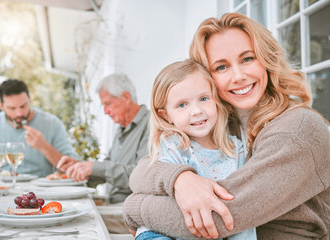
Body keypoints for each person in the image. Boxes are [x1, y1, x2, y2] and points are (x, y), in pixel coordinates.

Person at [123, 13, 330, 240]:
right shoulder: (220, 125)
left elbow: (220, 218)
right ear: (207, 79)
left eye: (248, 59)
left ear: (267, 60)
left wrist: (135, 206)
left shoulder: (298, 129)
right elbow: (144, 169)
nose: (239, 76)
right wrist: (181, 179)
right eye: (221, 67)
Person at [134, 59, 256, 240]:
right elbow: (168, 204)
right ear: (166, 115)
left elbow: (241, 208)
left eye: (204, 99)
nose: (197, 111)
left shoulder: (235, 149)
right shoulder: (173, 146)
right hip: (160, 232)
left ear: (216, 99)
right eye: (182, 105)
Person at [57, 73, 150, 233]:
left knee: (71, 220)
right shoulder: (122, 128)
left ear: (126, 97)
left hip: (133, 211)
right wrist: (81, 167)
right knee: (64, 211)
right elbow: (108, 167)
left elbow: (142, 177)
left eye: (108, 104)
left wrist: (95, 167)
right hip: (113, 204)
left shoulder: (150, 125)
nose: (106, 111)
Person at [0, 79, 79, 177]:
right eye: (12, 108)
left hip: (41, 189)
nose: (19, 113)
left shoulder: (52, 123)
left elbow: (72, 168)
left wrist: (44, 147)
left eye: (23, 106)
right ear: (1, 106)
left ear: (29, 100)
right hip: (2, 186)